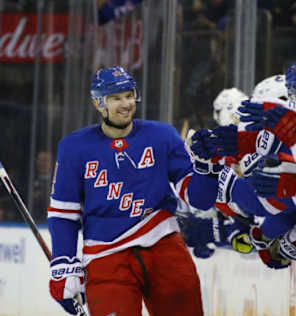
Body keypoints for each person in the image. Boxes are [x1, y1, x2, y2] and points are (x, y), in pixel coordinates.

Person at [47, 66, 219, 315]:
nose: (126, 104)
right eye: (116, 98)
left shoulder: (162, 136)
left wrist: (207, 168)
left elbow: (200, 200)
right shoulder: (74, 148)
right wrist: (62, 263)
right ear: (98, 103)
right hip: (105, 256)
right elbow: (64, 213)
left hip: (164, 246)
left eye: (129, 95)